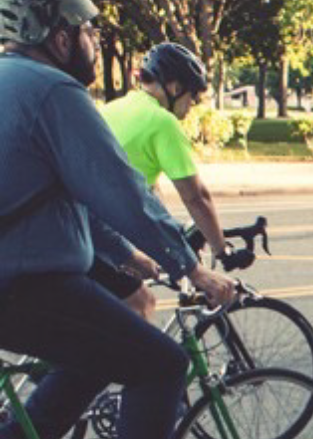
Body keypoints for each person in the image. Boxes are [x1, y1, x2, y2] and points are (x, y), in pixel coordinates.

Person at [0, 1, 235, 438]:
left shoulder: (10, 81)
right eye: (90, 31)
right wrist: (191, 267)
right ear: (62, 38)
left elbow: (66, 197)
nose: (96, 42)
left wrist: (125, 254)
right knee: (163, 365)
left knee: (96, 358)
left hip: (20, 281)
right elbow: (120, 190)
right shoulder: (54, 90)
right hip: (24, 285)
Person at [94, 42, 228, 320]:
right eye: (192, 98)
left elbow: (147, 190)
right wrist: (221, 249)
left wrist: (173, 236)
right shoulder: (162, 122)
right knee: (141, 303)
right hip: (98, 233)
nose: (191, 108)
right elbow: (196, 197)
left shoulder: (116, 107)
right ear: (175, 87)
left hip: (82, 226)